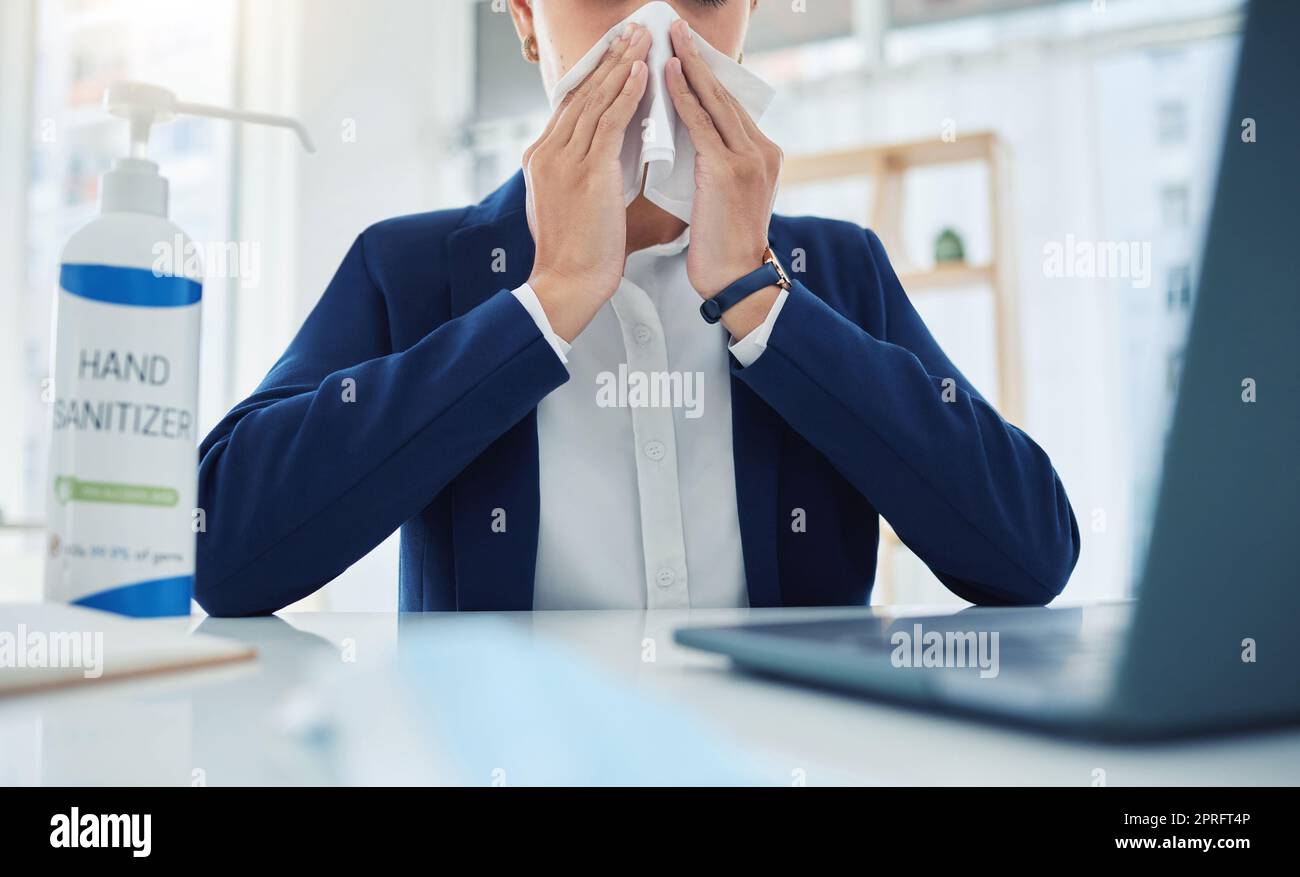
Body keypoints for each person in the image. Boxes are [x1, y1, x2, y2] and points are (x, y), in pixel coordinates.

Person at [195, 0, 1079, 616]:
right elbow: (224, 549)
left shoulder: (834, 269)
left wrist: (762, 300)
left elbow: (1030, 553)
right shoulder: (412, 268)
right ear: (526, 20)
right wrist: (546, 304)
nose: (657, 36)